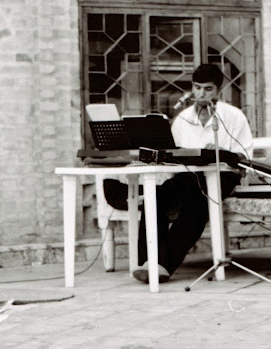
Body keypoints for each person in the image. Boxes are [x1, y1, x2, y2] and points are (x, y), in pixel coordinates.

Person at [105, 63, 254, 283]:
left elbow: (244, 157)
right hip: (186, 176)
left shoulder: (233, 116)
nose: (200, 94)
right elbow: (172, 153)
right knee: (156, 196)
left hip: (222, 176)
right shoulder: (183, 118)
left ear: (219, 91)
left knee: (198, 202)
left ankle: (162, 264)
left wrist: (223, 153)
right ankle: (148, 261)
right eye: (196, 87)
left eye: (208, 89)